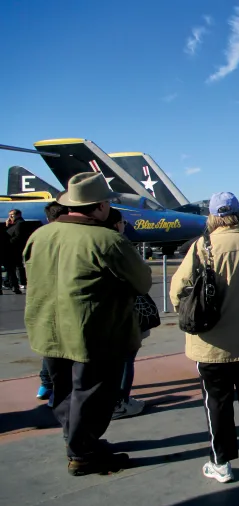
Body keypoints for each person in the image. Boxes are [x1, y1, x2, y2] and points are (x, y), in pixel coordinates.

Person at [24, 172, 152, 476]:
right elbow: (142, 280)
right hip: (93, 333)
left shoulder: (39, 235)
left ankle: (78, 440)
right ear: (99, 206)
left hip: (47, 330)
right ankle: (82, 453)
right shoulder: (107, 240)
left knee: (64, 390)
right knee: (93, 393)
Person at [171, 192, 239, 483]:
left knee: (217, 402)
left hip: (211, 343)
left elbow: (177, 291)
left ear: (213, 217)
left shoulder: (201, 247)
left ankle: (221, 463)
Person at [103, 208, 147, 419]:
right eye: (123, 223)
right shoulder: (116, 243)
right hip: (120, 314)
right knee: (125, 358)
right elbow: (142, 281)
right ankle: (120, 402)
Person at [35, 202, 70, 404]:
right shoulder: (69, 236)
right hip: (64, 299)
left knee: (50, 349)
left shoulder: (39, 237)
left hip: (45, 299)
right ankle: (57, 392)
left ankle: (46, 386)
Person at [5, 208, 34, 293]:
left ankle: (20, 282)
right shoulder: (15, 224)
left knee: (15, 266)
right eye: (9, 215)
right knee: (12, 266)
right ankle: (9, 282)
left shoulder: (20, 224)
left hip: (15, 248)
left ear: (18, 215)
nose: (10, 217)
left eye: (12, 215)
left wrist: (7, 243)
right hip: (15, 248)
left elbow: (18, 236)